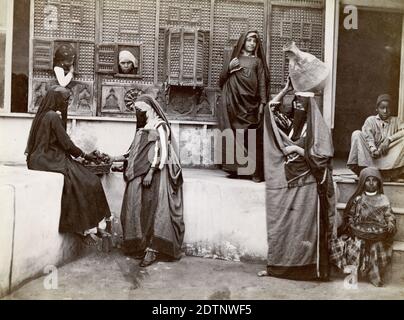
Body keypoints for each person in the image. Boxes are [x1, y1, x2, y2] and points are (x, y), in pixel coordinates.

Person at [258, 84, 336, 281]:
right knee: (283, 227)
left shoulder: (317, 129)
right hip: (287, 185)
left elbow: (322, 156)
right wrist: (285, 90)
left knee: (304, 230)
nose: (298, 108)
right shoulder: (292, 125)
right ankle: (277, 267)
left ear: (309, 106)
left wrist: (296, 150)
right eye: (296, 104)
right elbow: (269, 110)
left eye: (301, 105)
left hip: (308, 187)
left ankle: (309, 270)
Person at [25, 85, 111, 245]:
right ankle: (84, 227)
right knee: (89, 181)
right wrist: (86, 155)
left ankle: (88, 228)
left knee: (79, 178)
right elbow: (66, 144)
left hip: (39, 158)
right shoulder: (53, 117)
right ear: (57, 100)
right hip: (49, 158)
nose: (67, 103)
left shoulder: (44, 115)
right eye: (66, 100)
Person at [110, 94, 184, 267]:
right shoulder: (143, 127)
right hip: (139, 174)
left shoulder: (160, 126)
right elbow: (133, 152)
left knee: (154, 210)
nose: (138, 113)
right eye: (136, 110)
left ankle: (152, 250)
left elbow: (163, 153)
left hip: (155, 175)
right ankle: (140, 246)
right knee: (137, 209)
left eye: (140, 110)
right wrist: (115, 160)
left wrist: (151, 171)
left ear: (150, 108)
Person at [217, 30, 270, 182]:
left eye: (254, 41)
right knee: (236, 137)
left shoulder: (258, 62)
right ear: (243, 42)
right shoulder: (235, 59)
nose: (252, 44)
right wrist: (229, 69)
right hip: (234, 104)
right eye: (249, 40)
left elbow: (261, 83)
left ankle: (256, 172)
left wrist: (262, 103)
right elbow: (221, 82)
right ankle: (240, 169)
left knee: (252, 137)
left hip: (251, 105)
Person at [330, 167, 396, 287]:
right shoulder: (358, 199)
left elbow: (389, 215)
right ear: (362, 182)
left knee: (376, 247)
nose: (371, 183)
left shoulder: (384, 199)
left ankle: (374, 275)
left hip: (378, 233)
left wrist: (390, 223)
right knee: (357, 244)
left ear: (379, 182)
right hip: (359, 232)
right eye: (367, 180)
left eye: (374, 180)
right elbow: (349, 216)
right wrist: (351, 223)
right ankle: (354, 274)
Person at [347, 94, 404, 181]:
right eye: (382, 107)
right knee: (357, 134)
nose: (385, 111)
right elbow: (368, 137)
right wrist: (373, 149)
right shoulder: (371, 120)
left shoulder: (396, 120)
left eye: (388, 108)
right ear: (377, 109)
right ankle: (364, 172)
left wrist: (389, 140)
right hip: (371, 156)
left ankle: (391, 173)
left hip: (388, 155)